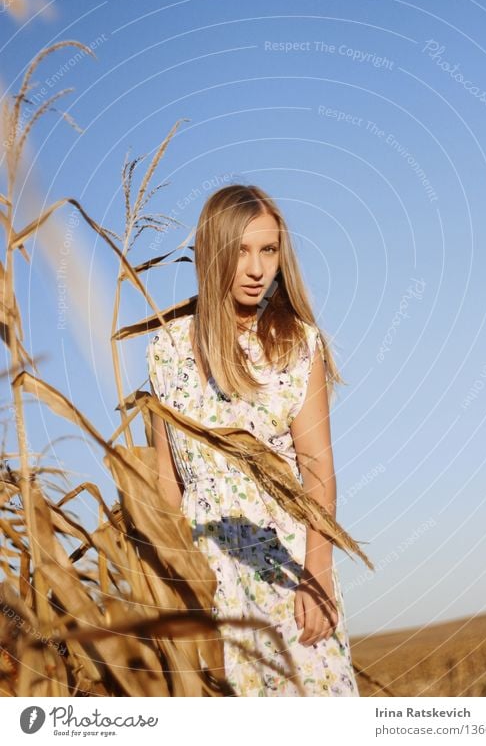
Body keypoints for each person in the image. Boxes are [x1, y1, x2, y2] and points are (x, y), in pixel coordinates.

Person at [146, 184, 360, 697]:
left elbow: (315, 465)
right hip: (206, 576)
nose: (258, 269)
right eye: (242, 251)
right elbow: (165, 481)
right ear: (214, 249)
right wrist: (167, 583)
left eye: (269, 250)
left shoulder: (295, 343)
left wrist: (317, 571)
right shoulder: (167, 348)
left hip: (287, 569)